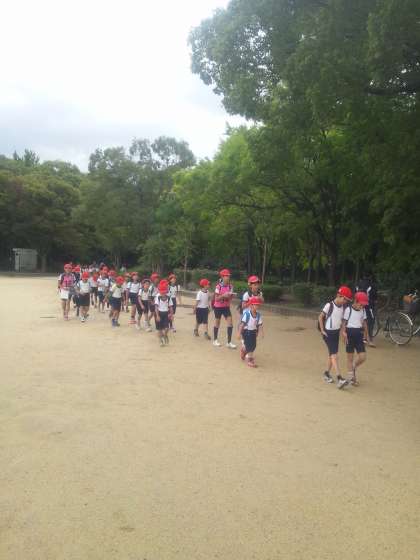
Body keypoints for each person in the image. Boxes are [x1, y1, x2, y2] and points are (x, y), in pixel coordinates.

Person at [318, 285, 353, 389]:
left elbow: (341, 322)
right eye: (344, 299)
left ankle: (326, 373)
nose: (345, 302)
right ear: (339, 295)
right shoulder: (329, 305)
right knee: (334, 355)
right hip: (328, 333)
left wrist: (343, 332)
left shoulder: (342, 308)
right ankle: (339, 378)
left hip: (336, 333)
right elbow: (320, 317)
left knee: (332, 355)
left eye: (347, 300)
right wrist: (322, 330)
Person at [342, 291, 369, 386]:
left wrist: (366, 336)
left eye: (363, 305)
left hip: (359, 335)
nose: (362, 306)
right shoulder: (348, 310)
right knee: (350, 358)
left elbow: (364, 323)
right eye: (361, 304)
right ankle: (351, 378)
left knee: (363, 357)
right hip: (349, 335)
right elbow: (344, 323)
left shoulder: (363, 311)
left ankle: (353, 367)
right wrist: (343, 333)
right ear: (355, 301)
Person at [213, 269, 236, 348]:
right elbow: (216, 299)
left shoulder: (230, 286)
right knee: (217, 323)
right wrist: (223, 295)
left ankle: (229, 342)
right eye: (226, 276)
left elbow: (230, 298)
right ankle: (215, 340)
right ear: (222, 277)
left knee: (230, 323)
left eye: (228, 276)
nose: (228, 277)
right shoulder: (218, 286)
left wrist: (231, 295)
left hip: (226, 307)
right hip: (218, 307)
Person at [238, 296, 264, 367]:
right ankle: (250, 360)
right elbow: (242, 325)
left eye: (258, 305)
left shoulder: (258, 315)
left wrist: (261, 332)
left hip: (253, 332)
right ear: (251, 305)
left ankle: (244, 350)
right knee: (249, 346)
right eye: (256, 305)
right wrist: (239, 333)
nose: (257, 306)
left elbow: (259, 324)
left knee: (253, 345)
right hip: (246, 332)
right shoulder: (247, 314)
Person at [356, 273, 377, 347]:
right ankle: (370, 340)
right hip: (369, 306)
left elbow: (355, 294)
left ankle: (361, 338)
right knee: (370, 322)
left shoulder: (358, 284)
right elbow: (375, 297)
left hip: (358, 305)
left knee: (359, 321)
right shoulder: (372, 285)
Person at [155, 280, 173, 346]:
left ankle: (165, 335)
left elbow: (170, 307)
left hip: (166, 314)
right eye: (161, 292)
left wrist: (171, 314)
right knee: (159, 329)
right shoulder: (158, 297)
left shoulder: (168, 297)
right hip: (159, 313)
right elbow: (156, 307)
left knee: (166, 328)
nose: (163, 294)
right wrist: (157, 315)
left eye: (164, 292)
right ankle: (161, 341)